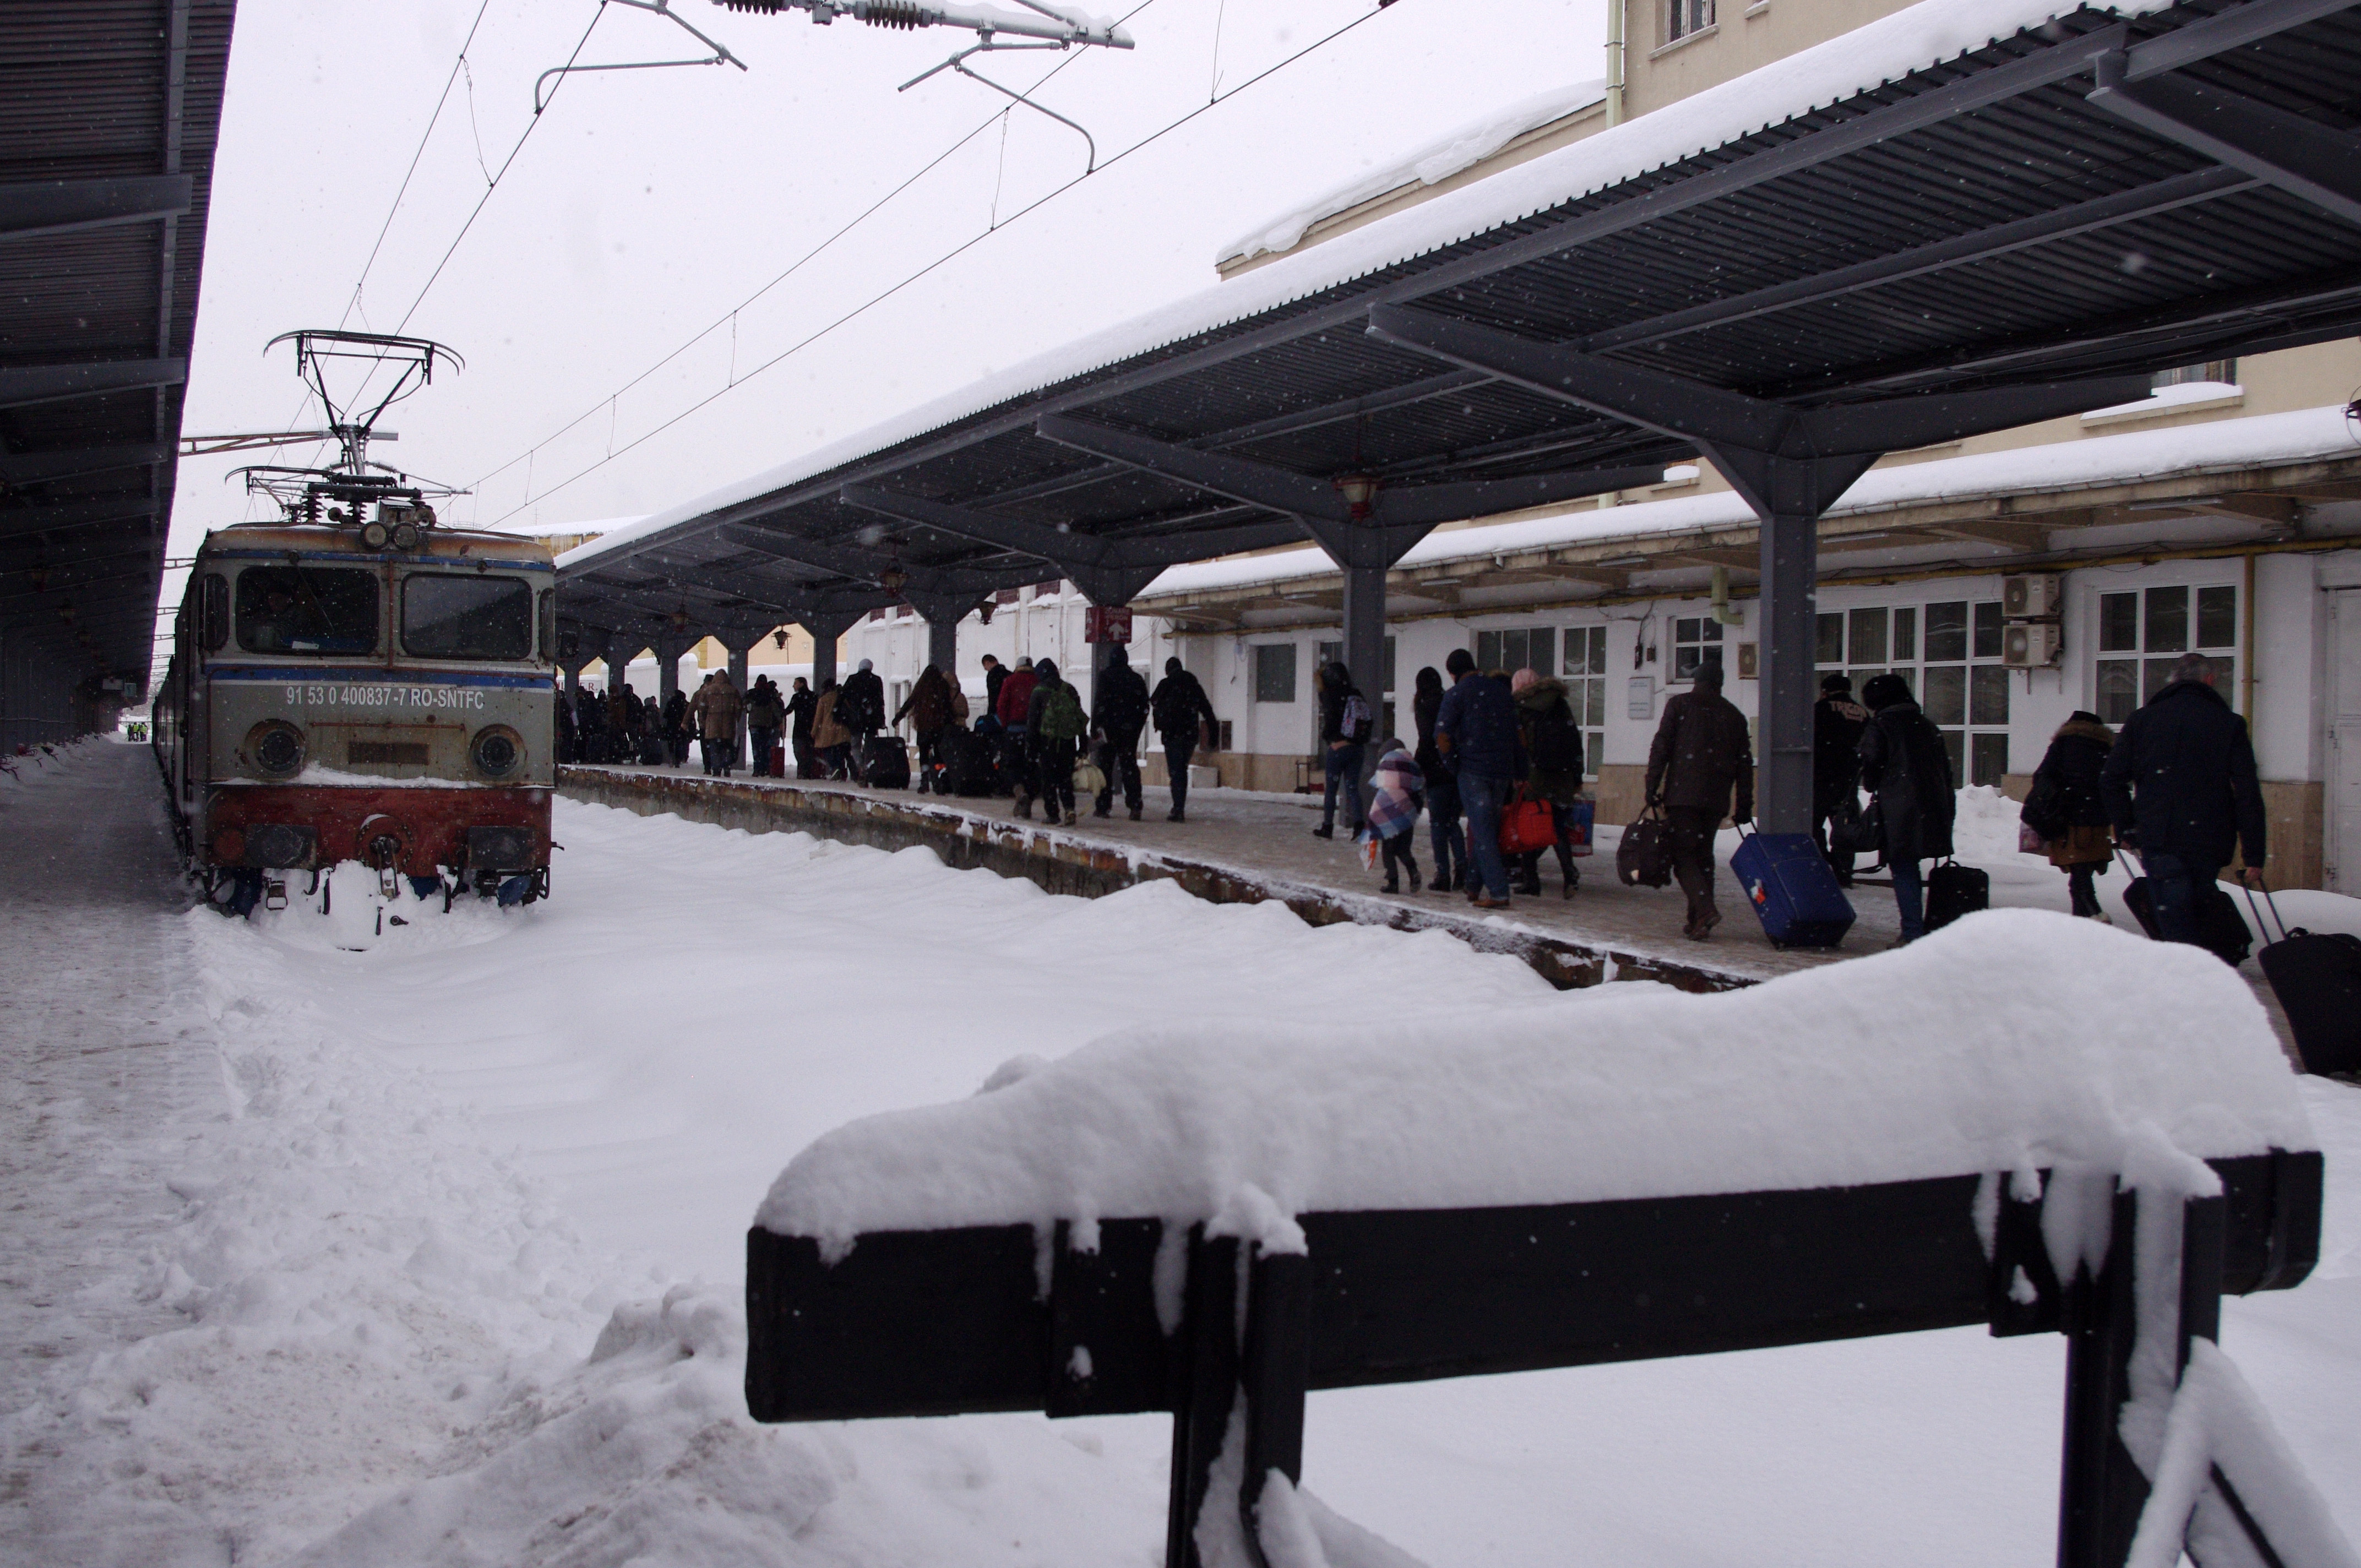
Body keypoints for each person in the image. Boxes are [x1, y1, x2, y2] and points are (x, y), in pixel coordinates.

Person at [2099, 650, 2266, 946]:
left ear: (2174, 680)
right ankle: (2196, 965)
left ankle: (2184, 966)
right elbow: (2247, 791)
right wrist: (2254, 853)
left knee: (2172, 911)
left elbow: (2112, 779)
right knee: (2199, 906)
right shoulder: (2228, 724)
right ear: (2210, 680)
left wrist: (2126, 828)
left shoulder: (2142, 721)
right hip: (2209, 836)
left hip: (2158, 834)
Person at [1643, 656, 1755, 941]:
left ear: (1697, 681)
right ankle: (1697, 922)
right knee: (1704, 856)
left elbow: (1661, 746)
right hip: (1716, 799)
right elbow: (1745, 764)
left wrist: (1652, 784)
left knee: (1683, 855)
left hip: (1683, 795)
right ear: (1720, 684)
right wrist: (1744, 804)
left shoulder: (1680, 705)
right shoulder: (1734, 715)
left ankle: (1704, 910)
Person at [1856, 671, 1955, 946]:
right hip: (1932, 805)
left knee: (1904, 867)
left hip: (1899, 807)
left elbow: (1871, 763)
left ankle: (1912, 933)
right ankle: (1931, 929)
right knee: (1918, 865)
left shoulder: (1882, 726)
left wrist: (1872, 781)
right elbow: (1945, 771)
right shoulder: (1927, 726)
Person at [1434, 648, 1523, 910]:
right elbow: (1517, 734)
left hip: (1474, 770)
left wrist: (1453, 765)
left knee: (1483, 832)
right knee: (1488, 828)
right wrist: (1520, 770)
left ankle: (1498, 892)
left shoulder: (1456, 695)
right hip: (1502, 771)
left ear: (1452, 673)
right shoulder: (1500, 691)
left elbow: (1442, 736)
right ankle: (1473, 885)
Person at [2023, 710, 2118, 919]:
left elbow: (2043, 776)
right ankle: (2082, 923)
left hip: (2070, 820)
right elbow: (2114, 783)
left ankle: (2095, 914)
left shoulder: (2063, 745)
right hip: (2098, 822)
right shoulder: (2106, 748)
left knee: (2079, 875)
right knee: (2082, 873)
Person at [1510, 666, 1586, 900]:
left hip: (1536, 776)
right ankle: (1570, 876)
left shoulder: (1521, 707)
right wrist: (1577, 776)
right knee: (1559, 828)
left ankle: (1531, 881)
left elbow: (1520, 746)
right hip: (1562, 775)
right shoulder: (1559, 704)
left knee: (1530, 826)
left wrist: (1518, 774)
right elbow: (1574, 741)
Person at [1410, 666, 1466, 892]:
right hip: (1455, 769)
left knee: (1438, 824)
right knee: (1452, 822)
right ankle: (1462, 867)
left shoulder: (1425, 705)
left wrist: (1417, 766)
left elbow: (1426, 739)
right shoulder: (1449, 701)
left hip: (1436, 771)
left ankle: (1443, 873)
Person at [1812, 673, 1870, 884]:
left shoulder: (1820, 710)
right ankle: (1844, 871)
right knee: (1845, 827)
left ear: (1825, 691)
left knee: (1813, 825)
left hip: (1821, 779)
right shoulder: (1862, 713)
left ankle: (1824, 864)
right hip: (1849, 781)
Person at [1150, 656, 1220, 822]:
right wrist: (1214, 736)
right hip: (1190, 735)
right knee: (1181, 768)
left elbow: (1153, 700)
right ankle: (1179, 807)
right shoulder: (1193, 685)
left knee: (1176, 771)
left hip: (1172, 734)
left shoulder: (1166, 684)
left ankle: (1178, 808)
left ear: (1168, 670)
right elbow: (1207, 710)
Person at [1312, 660, 1374, 840]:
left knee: (1331, 790)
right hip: (1357, 748)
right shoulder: (1356, 694)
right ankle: (1359, 826)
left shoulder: (1330, 695)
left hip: (1338, 749)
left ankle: (1327, 827)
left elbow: (1330, 723)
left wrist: (1331, 739)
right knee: (1353, 788)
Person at [1022, 657, 1087, 824]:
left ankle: (1052, 814)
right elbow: (1080, 718)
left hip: (1047, 742)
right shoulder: (1069, 690)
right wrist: (1083, 745)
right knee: (1066, 778)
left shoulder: (1039, 691)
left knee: (1049, 780)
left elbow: (1033, 723)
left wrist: (1031, 748)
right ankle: (1070, 809)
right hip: (1068, 741)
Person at [1089, 651, 1150, 820]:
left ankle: (1103, 807)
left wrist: (1095, 728)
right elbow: (1145, 705)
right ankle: (1135, 806)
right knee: (1129, 766)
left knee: (1105, 768)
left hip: (1109, 731)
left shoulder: (1106, 677)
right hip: (1129, 731)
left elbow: (1099, 703)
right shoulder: (1136, 679)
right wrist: (1136, 726)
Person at [1366, 736, 1425, 894]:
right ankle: (1413, 872)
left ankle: (1393, 882)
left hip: (1391, 815)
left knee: (1388, 849)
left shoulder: (1388, 766)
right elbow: (1419, 787)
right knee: (1404, 849)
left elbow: (1381, 791)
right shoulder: (1413, 766)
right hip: (1408, 815)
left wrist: (1374, 816)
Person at [894, 663, 958, 792]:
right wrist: (951, 722)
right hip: (939, 726)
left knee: (924, 754)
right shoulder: (943, 686)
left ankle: (924, 781)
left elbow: (910, 702)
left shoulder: (922, 687)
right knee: (939, 755)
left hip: (924, 726)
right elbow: (948, 706)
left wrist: (898, 717)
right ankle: (939, 781)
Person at [995, 656, 1039, 803]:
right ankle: (1030, 792)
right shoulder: (1038, 681)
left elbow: (1002, 705)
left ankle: (1019, 791)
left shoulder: (1010, 680)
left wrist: (1005, 724)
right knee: (1031, 764)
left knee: (1013, 764)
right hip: (1034, 730)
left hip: (1014, 729)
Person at [688, 669, 746, 776]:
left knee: (715, 749)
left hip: (713, 726)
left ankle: (716, 770)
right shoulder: (733, 691)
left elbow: (702, 707)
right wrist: (734, 719)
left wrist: (705, 720)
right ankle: (727, 768)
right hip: (728, 726)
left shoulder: (708, 691)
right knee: (727, 748)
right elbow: (739, 708)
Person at [837, 658, 886, 780]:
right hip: (871, 719)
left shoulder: (852, 679)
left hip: (856, 719)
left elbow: (842, 697)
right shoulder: (876, 680)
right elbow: (880, 701)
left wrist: (839, 713)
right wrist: (881, 718)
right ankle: (868, 765)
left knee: (855, 746)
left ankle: (860, 766)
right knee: (870, 745)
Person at [810, 676, 852, 780]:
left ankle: (835, 768)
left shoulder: (823, 700)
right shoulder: (841, 697)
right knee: (839, 751)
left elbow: (818, 718)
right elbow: (849, 711)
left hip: (828, 730)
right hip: (842, 729)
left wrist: (814, 732)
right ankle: (842, 772)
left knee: (827, 750)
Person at [746, 674, 787, 778]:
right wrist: (780, 720)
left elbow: (745, 707)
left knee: (756, 747)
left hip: (754, 724)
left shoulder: (751, 694)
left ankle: (757, 769)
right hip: (766, 725)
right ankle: (764, 769)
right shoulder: (770, 695)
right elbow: (776, 710)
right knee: (765, 748)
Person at [786, 676, 817, 778]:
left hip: (799, 729)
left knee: (798, 751)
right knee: (809, 751)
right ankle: (808, 771)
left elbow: (789, 710)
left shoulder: (797, 698)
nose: (793, 686)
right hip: (811, 729)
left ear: (802, 684)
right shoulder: (813, 696)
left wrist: (780, 713)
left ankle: (803, 770)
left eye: (796, 683)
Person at [662, 686, 690, 767]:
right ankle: (678, 760)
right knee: (679, 743)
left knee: (671, 743)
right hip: (681, 726)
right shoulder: (685, 704)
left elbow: (665, 715)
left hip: (671, 726)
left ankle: (671, 758)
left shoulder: (671, 702)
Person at [981, 653, 1008, 721]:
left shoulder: (992, 676)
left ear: (988, 663)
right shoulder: (1009, 674)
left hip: (997, 711)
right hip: (1009, 711)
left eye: (985, 666)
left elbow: (993, 696)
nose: (985, 669)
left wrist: (990, 713)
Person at [555, 682, 577, 764]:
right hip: (568, 728)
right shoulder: (567, 706)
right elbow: (574, 718)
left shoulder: (556, 706)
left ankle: (561, 759)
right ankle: (567, 759)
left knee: (562, 745)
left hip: (561, 728)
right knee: (568, 744)